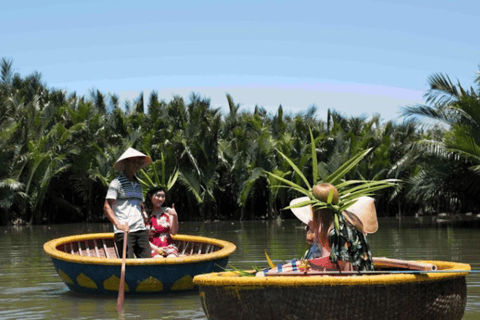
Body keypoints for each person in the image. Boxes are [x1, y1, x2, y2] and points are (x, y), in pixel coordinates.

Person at [256, 190, 377, 276]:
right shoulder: (346, 224)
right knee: (274, 271)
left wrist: (307, 267)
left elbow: (345, 271)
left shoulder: (337, 232)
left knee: (263, 275)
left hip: (356, 281)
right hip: (356, 274)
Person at [104, 147, 152, 259]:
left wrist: (145, 219)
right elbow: (107, 206)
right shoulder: (116, 183)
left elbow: (140, 206)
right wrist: (118, 224)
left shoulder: (138, 184)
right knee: (128, 262)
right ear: (126, 163)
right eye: (133, 161)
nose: (136, 165)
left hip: (140, 229)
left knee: (147, 261)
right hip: (125, 230)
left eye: (138, 162)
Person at [143, 187, 179, 258]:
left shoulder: (168, 211)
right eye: (158, 196)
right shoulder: (144, 214)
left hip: (168, 245)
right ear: (150, 196)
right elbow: (143, 237)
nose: (160, 199)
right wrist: (156, 249)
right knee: (158, 258)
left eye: (163, 196)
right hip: (151, 246)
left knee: (172, 257)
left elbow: (173, 232)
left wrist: (175, 216)